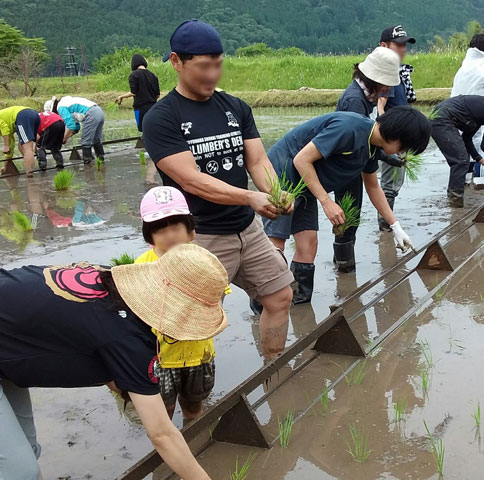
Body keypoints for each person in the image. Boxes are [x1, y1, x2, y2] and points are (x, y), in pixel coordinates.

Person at [0, 244, 227, 479]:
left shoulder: (114, 283)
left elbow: (91, 346)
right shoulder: (127, 339)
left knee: (26, 450)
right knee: (20, 470)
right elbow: (162, 435)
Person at [142, 20, 294, 331]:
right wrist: (250, 196)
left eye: (218, 65)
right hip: (199, 235)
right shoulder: (161, 118)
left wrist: (275, 190)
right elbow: (191, 180)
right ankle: (194, 378)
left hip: (246, 228)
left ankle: (275, 370)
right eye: (204, 66)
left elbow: (257, 160)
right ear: (176, 61)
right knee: (195, 319)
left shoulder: (235, 107)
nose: (212, 74)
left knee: (280, 296)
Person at [263, 106, 430, 303]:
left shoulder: (371, 147)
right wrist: (326, 202)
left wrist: (396, 227)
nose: (402, 153)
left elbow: (373, 187)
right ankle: (263, 307)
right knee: (276, 243)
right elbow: (301, 159)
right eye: (405, 147)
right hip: (282, 173)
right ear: (396, 134)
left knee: (309, 243)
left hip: (306, 183)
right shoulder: (349, 128)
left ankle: (299, 305)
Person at [135, 186, 230, 421]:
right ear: (149, 236)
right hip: (161, 357)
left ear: (190, 231)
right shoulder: (143, 266)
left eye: (176, 227)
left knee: (194, 407)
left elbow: (218, 297)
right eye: (160, 229)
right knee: (162, 412)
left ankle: (194, 442)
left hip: (199, 352)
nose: (170, 235)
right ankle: (169, 451)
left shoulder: (205, 261)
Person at [333, 46, 402, 272]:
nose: (388, 88)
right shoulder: (355, 101)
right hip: (345, 166)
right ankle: (344, 269)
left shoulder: (364, 96)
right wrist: (385, 155)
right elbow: (357, 140)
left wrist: (385, 155)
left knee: (350, 215)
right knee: (348, 215)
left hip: (352, 164)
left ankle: (344, 265)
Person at [430, 95, 484, 207]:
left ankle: (455, 201)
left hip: (440, 116)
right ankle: (455, 204)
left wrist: (479, 159)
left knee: (461, 159)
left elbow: (467, 138)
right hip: (441, 119)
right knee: (460, 161)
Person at [377, 24, 417, 231]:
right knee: (390, 184)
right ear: (384, 46)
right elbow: (380, 107)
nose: (403, 49)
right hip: (392, 139)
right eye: (398, 44)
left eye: (404, 45)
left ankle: (387, 222)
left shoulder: (397, 73)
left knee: (394, 182)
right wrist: (386, 137)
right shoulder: (386, 74)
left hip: (400, 138)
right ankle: (385, 225)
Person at [51, 95, 106, 164]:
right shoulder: (67, 103)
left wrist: (64, 138)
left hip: (90, 113)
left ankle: (87, 163)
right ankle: (101, 160)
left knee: (86, 141)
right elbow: (76, 127)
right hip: (99, 111)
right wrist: (67, 136)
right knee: (96, 140)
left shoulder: (60, 108)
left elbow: (71, 125)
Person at [115, 54, 161, 133]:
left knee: (143, 130)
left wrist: (121, 96)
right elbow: (158, 95)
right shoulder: (153, 75)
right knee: (153, 130)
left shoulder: (134, 75)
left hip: (140, 108)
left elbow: (133, 92)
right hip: (153, 107)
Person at [0, 106, 40, 177]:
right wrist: (6, 164)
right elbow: (11, 143)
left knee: (27, 147)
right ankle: (31, 168)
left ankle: (30, 176)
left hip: (22, 116)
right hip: (34, 114)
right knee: (21, 146)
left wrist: (6, 145)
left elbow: (5, 129)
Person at [36, 99, 65, 170]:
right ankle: (60, 163)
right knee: (55, 147)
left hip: (49, 124)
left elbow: (37, 137)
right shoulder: (48, 114)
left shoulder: (35, 118)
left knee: (40, 147)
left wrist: (36, 147)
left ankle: (42, 165)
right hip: (61, 123)